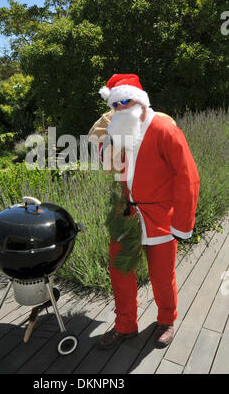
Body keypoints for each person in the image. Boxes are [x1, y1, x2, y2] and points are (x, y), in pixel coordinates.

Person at [88, 73, 200, 349]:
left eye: (125, 101)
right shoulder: (117, 130)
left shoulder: (165, 129)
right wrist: (109, 141)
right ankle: (125, 325)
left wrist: (183, 224)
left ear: (139, 100)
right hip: (125, 215)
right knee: (120, 272)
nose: (120, 108)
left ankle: (166, 320)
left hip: (161, 216)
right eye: (115, 104)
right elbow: (110, 167)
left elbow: (187, 177)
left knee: (162, 276)